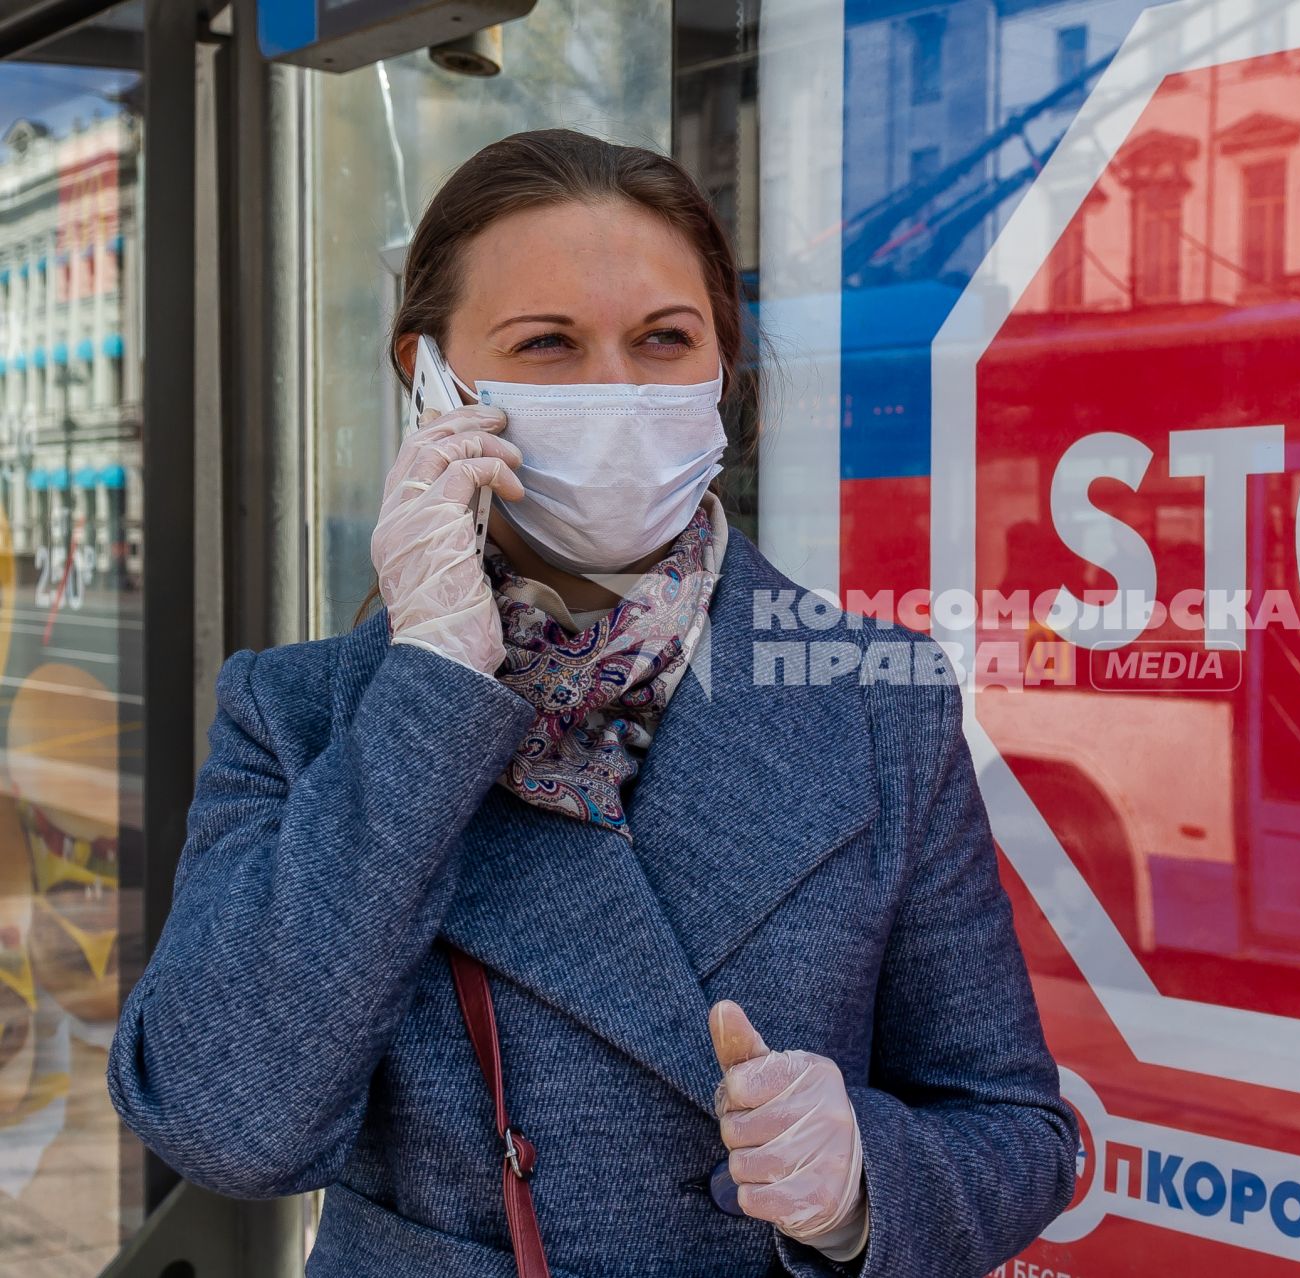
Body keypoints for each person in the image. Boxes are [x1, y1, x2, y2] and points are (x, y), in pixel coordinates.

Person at [105, 128, 1077, 1277]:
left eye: (665, 340)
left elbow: (1017, 1128)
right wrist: (433, 687)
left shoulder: (876, 699)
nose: (616, 391)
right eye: (548, 345)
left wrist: (865, 1179)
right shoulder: (303, 713)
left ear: (722, 372)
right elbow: (223, 1121)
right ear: (432, 377)